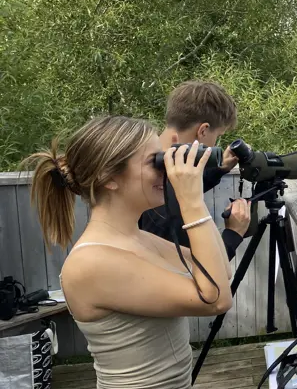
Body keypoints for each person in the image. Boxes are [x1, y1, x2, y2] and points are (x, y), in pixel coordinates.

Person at [24, 115, 233, 388]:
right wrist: (190, 200)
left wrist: (195, 200)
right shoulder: (92, 262)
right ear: (109, 177)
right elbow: (216, 300)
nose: (167, 170)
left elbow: (221, 271)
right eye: (155, 161)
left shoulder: (140, 238)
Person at [139, 80, 251, 261]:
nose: (216, 144)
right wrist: (233, 233)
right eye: (218, 136)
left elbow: (180, 184)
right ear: (203, 131)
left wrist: (219, 169)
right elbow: (198, 274)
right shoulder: (164, 197)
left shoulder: (149, 165)